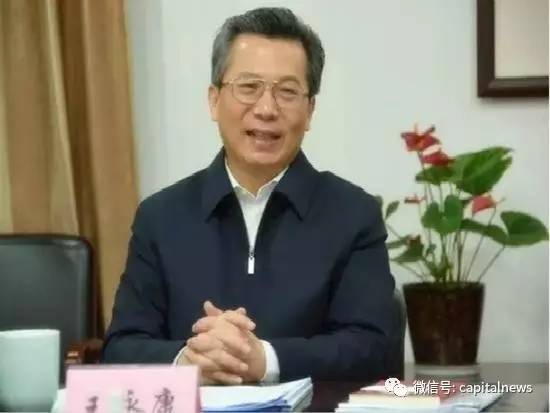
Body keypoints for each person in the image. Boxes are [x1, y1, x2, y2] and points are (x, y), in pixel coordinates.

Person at [102, 7, 396, 385]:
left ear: (309, 110)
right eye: (248, 87)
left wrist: (264, 360)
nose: (266, 109)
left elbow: (374, 348)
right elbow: (121, 347)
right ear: (214, 100)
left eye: (287, 91)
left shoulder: (353, 214)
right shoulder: (160, 217)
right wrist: (187, 360)